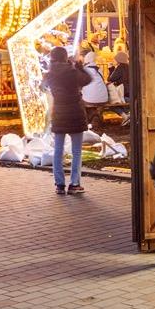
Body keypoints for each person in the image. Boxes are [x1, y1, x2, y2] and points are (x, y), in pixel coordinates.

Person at [44, 45, 90, 197]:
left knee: (58, 150)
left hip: (59, 113)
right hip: (75, 112)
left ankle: (59, 184)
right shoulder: (72, 72)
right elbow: (87, 79)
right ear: (65, 57)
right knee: (76, 151)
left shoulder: (49, 74)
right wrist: (79, 66)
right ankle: (75, 184)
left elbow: (42, 87)